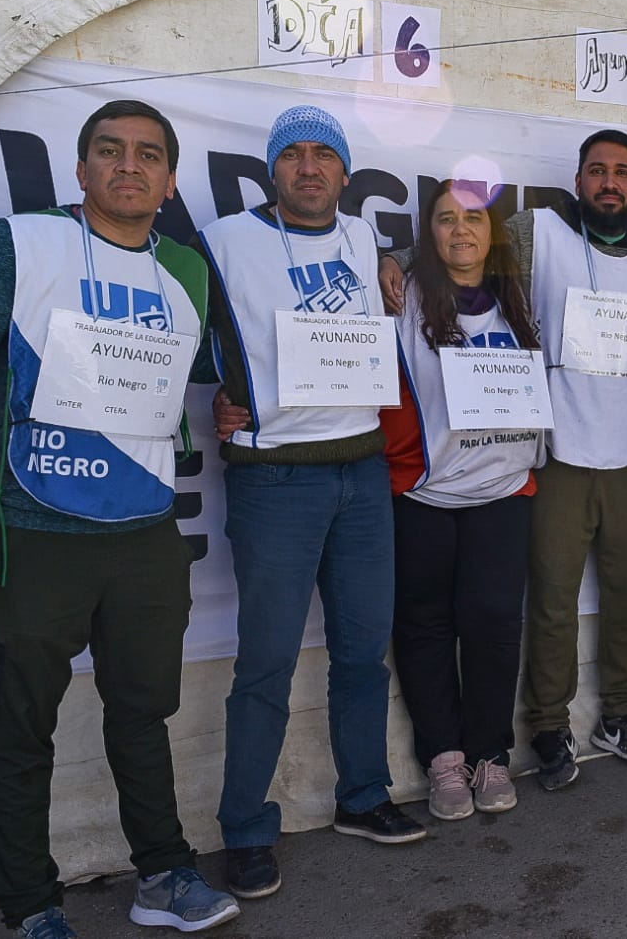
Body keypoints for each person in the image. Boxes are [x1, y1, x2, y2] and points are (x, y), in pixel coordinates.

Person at [0, 100, 238, 936]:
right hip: (32, 531)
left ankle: (163, 873)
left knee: (142, 711)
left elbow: (189, 378)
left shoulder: (188, 271)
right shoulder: (10, 247)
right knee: (23, 728)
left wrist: (224, 409)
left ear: (167, 182)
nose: (130, 166)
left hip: (145, 537)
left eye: (150, 156)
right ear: (82, 168)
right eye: (111, 151)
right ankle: (29, 905)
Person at [385, 130, 627, 787]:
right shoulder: (535, 230)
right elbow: (458, 240)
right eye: (596, 171)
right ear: (577, 182)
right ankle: (549, 726)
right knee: (549, 602)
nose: (609, 182)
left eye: (622, 172)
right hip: (559, 451)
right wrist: (390, 257)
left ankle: (622, 714)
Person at [201, 106, 421, 903]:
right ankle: (247, 830)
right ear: (271, 169)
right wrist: (219, 399)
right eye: (291, 155)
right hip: (273, 478)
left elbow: (390, 262)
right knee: (265, 665)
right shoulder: (224, 239)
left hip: (361, 473)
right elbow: (183, 331)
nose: (307, 168)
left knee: (363, 652)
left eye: (322, 155)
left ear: (343, 170)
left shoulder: (365, 237)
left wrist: (393, 254)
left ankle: (363, 796)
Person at [381, 179, 545, 818]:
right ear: (430, 231)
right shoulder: (402, 294)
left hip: (502, 492)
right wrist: (385, 257)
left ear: (492, 232)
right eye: (445, 219)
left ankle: (490, 755)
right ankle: (444, 760)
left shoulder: (517, 296)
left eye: (474, 219)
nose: (461, 231)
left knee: (496, 627)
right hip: (423, 493)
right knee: (423, 628)